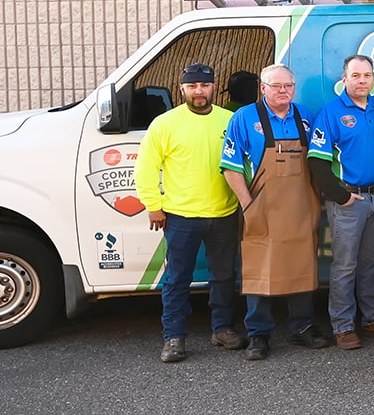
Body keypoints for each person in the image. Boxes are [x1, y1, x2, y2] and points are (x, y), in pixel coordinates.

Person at [220, 63, 329, 360]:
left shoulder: (303, 116)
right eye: (276, 86)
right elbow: (230, 167)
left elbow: (320, 160)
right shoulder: (244, 118)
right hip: (262, 207)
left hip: (301, 207)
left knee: (302, 266)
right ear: (263, 89)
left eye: (288, 86)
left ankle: (303, 327)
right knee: (259, 268)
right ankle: (259, 334)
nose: (283, 91)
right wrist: (248, 204)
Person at [138, 63, 242, 363]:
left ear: (213, 87)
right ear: (181, 88)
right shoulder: (165, 123)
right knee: (177, 279)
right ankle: (174, 337)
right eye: (192, 86)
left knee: (223, 277)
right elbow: (146, 166)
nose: (199, 91)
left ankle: (222, 329)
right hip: (181, 216)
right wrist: (153, 205)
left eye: (205, 85)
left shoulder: (229, 120)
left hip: (224, 213)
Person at [307, 54, 374, 351]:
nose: (362, 81)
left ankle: (371, 318)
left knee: (373, 263)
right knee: (345, 265)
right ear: (344, 80)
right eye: (355, 76)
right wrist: (341, 196)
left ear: (373, 79)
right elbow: (316, 161)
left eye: (367, 76)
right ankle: (343, 325)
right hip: (349, 200)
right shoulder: (331, 112)